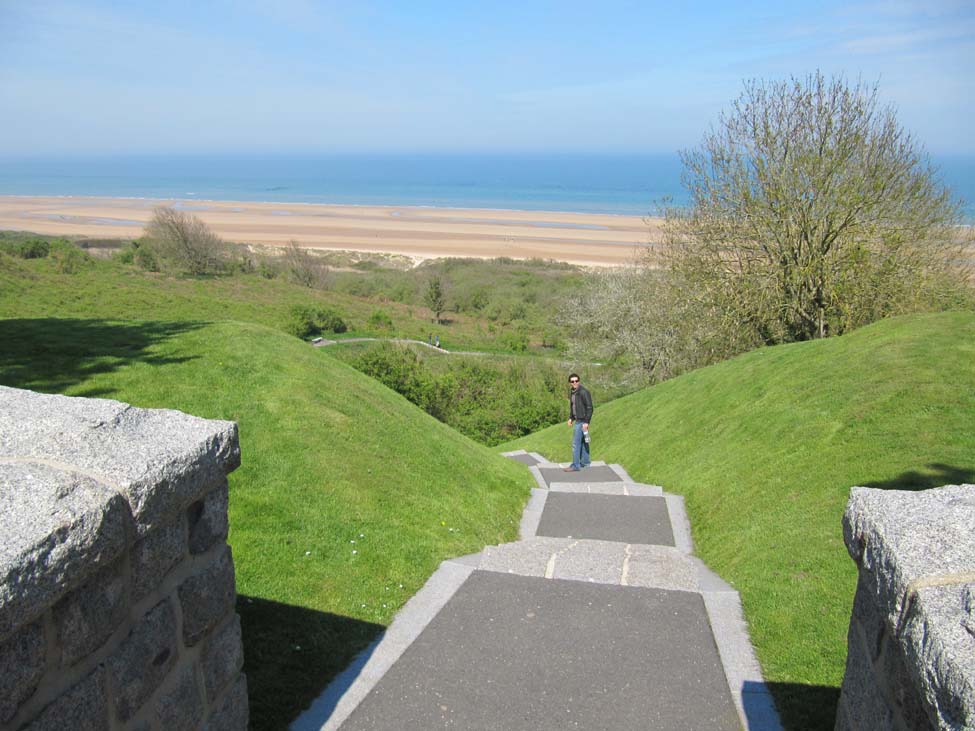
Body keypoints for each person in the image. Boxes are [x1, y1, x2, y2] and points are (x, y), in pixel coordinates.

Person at [564, 373, 593, 471]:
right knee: (584, 442)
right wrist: (571, 418)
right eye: (572, 381)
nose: (574, 383)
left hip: (582, 421)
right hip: (578, 420)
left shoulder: (584, 392)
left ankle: (576, 465)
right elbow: (573, 407)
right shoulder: (573, 392)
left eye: (576, 381)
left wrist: (586, 422)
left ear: (579, 381)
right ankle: (585, 463)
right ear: (570, 383)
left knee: (576, 444)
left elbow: (590, 408)